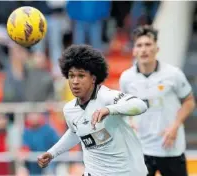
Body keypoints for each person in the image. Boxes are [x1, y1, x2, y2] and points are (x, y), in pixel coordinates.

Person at [37, 44, 148, 176]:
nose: (75, 81)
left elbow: (140, 105)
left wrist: (109, 110)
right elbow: (75, 132)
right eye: (71, 76)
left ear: (93, 79)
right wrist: (52, 153)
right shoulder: (69, 109)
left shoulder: (107, 97)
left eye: (81, 76)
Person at [119, 25, 196, 176]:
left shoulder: (173, 74)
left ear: (157, 48)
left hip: (170, 148)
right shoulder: (126, 78)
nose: (144, 49)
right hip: (141, 149)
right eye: (139, 45)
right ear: (134, 50)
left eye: (148, 44)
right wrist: (129, 122)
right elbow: (123, 107)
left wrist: (174, 126)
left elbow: (189, 102)